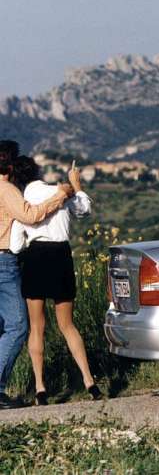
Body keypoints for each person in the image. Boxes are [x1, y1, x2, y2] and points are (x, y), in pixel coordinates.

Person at [10, 157, 102, 405]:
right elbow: (84, 210)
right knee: (67, 325)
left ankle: (40, 388)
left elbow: (16, 245)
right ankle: (89, 381)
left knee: (37, 327)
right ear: (38, 172)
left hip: (36, 258)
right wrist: (77, 184)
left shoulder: (24, 201)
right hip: (61, 255)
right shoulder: (60, 193)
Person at [0, 144, 73, 410]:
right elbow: (29, 216)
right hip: (4, 261)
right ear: (8, 165)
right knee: (18, 326)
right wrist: (62, 195)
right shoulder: (6, 190)